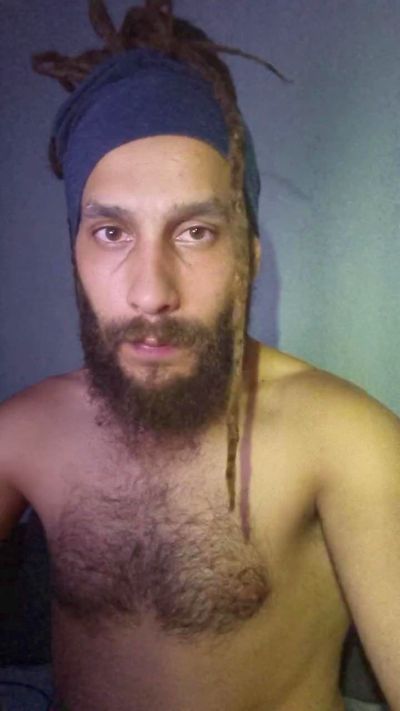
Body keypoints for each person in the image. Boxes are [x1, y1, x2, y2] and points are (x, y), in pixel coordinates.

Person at [0, 1, 399, 710]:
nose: (152, 292)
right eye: (112, 232)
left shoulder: (347, 439)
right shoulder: (22, 435)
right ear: (74, 254)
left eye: (195, 232)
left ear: (247, 256)